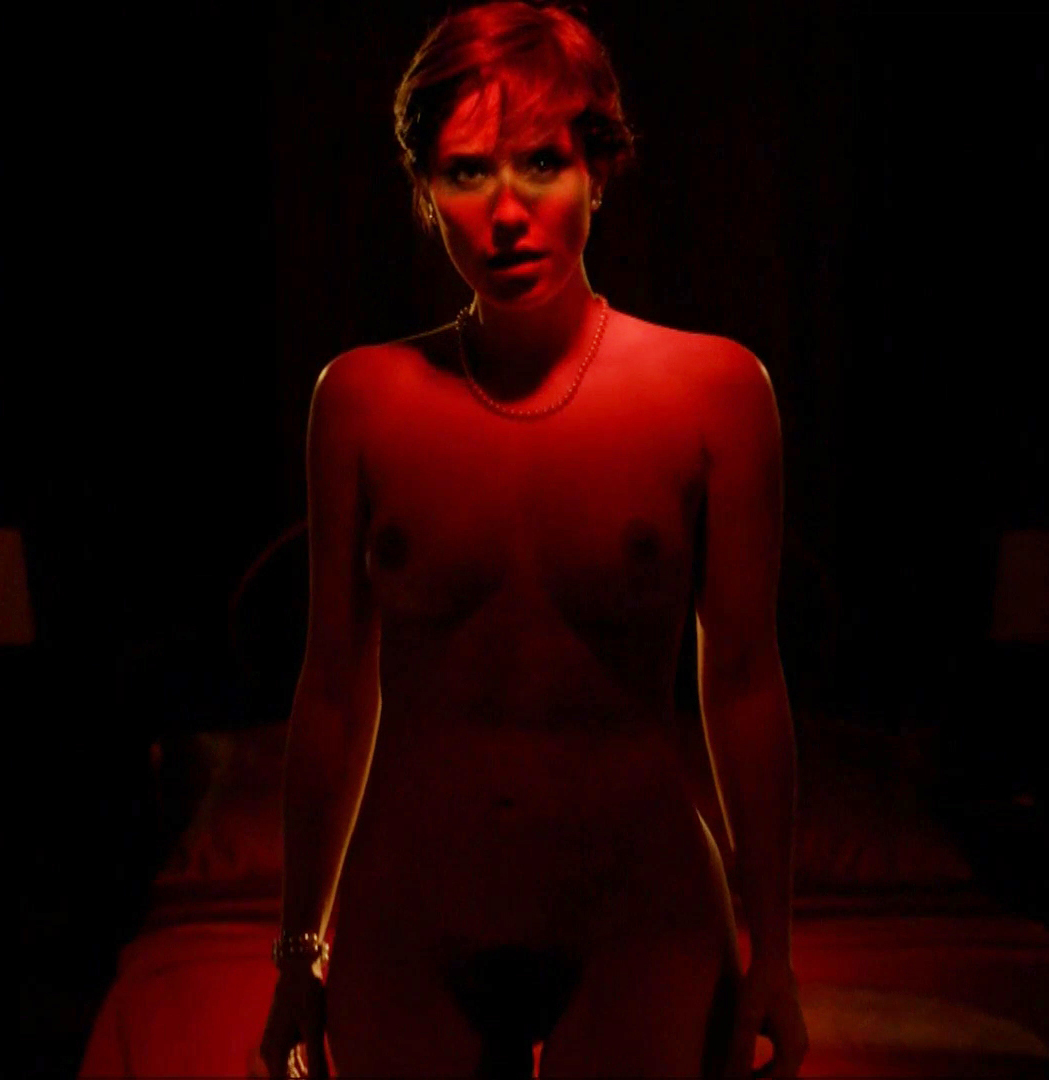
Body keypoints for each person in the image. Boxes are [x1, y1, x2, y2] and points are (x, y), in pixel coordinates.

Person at [258, 3, 807, 1076]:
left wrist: (775, 951)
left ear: (598, 170)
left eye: (542, 163)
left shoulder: (717, 392)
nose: (507, 212)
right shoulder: (360, 401)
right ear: (426, 193)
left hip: (643, 909)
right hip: (413, 909)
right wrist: (296, 953)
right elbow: (331, 687)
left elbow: (743, 681)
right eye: (467, 172)